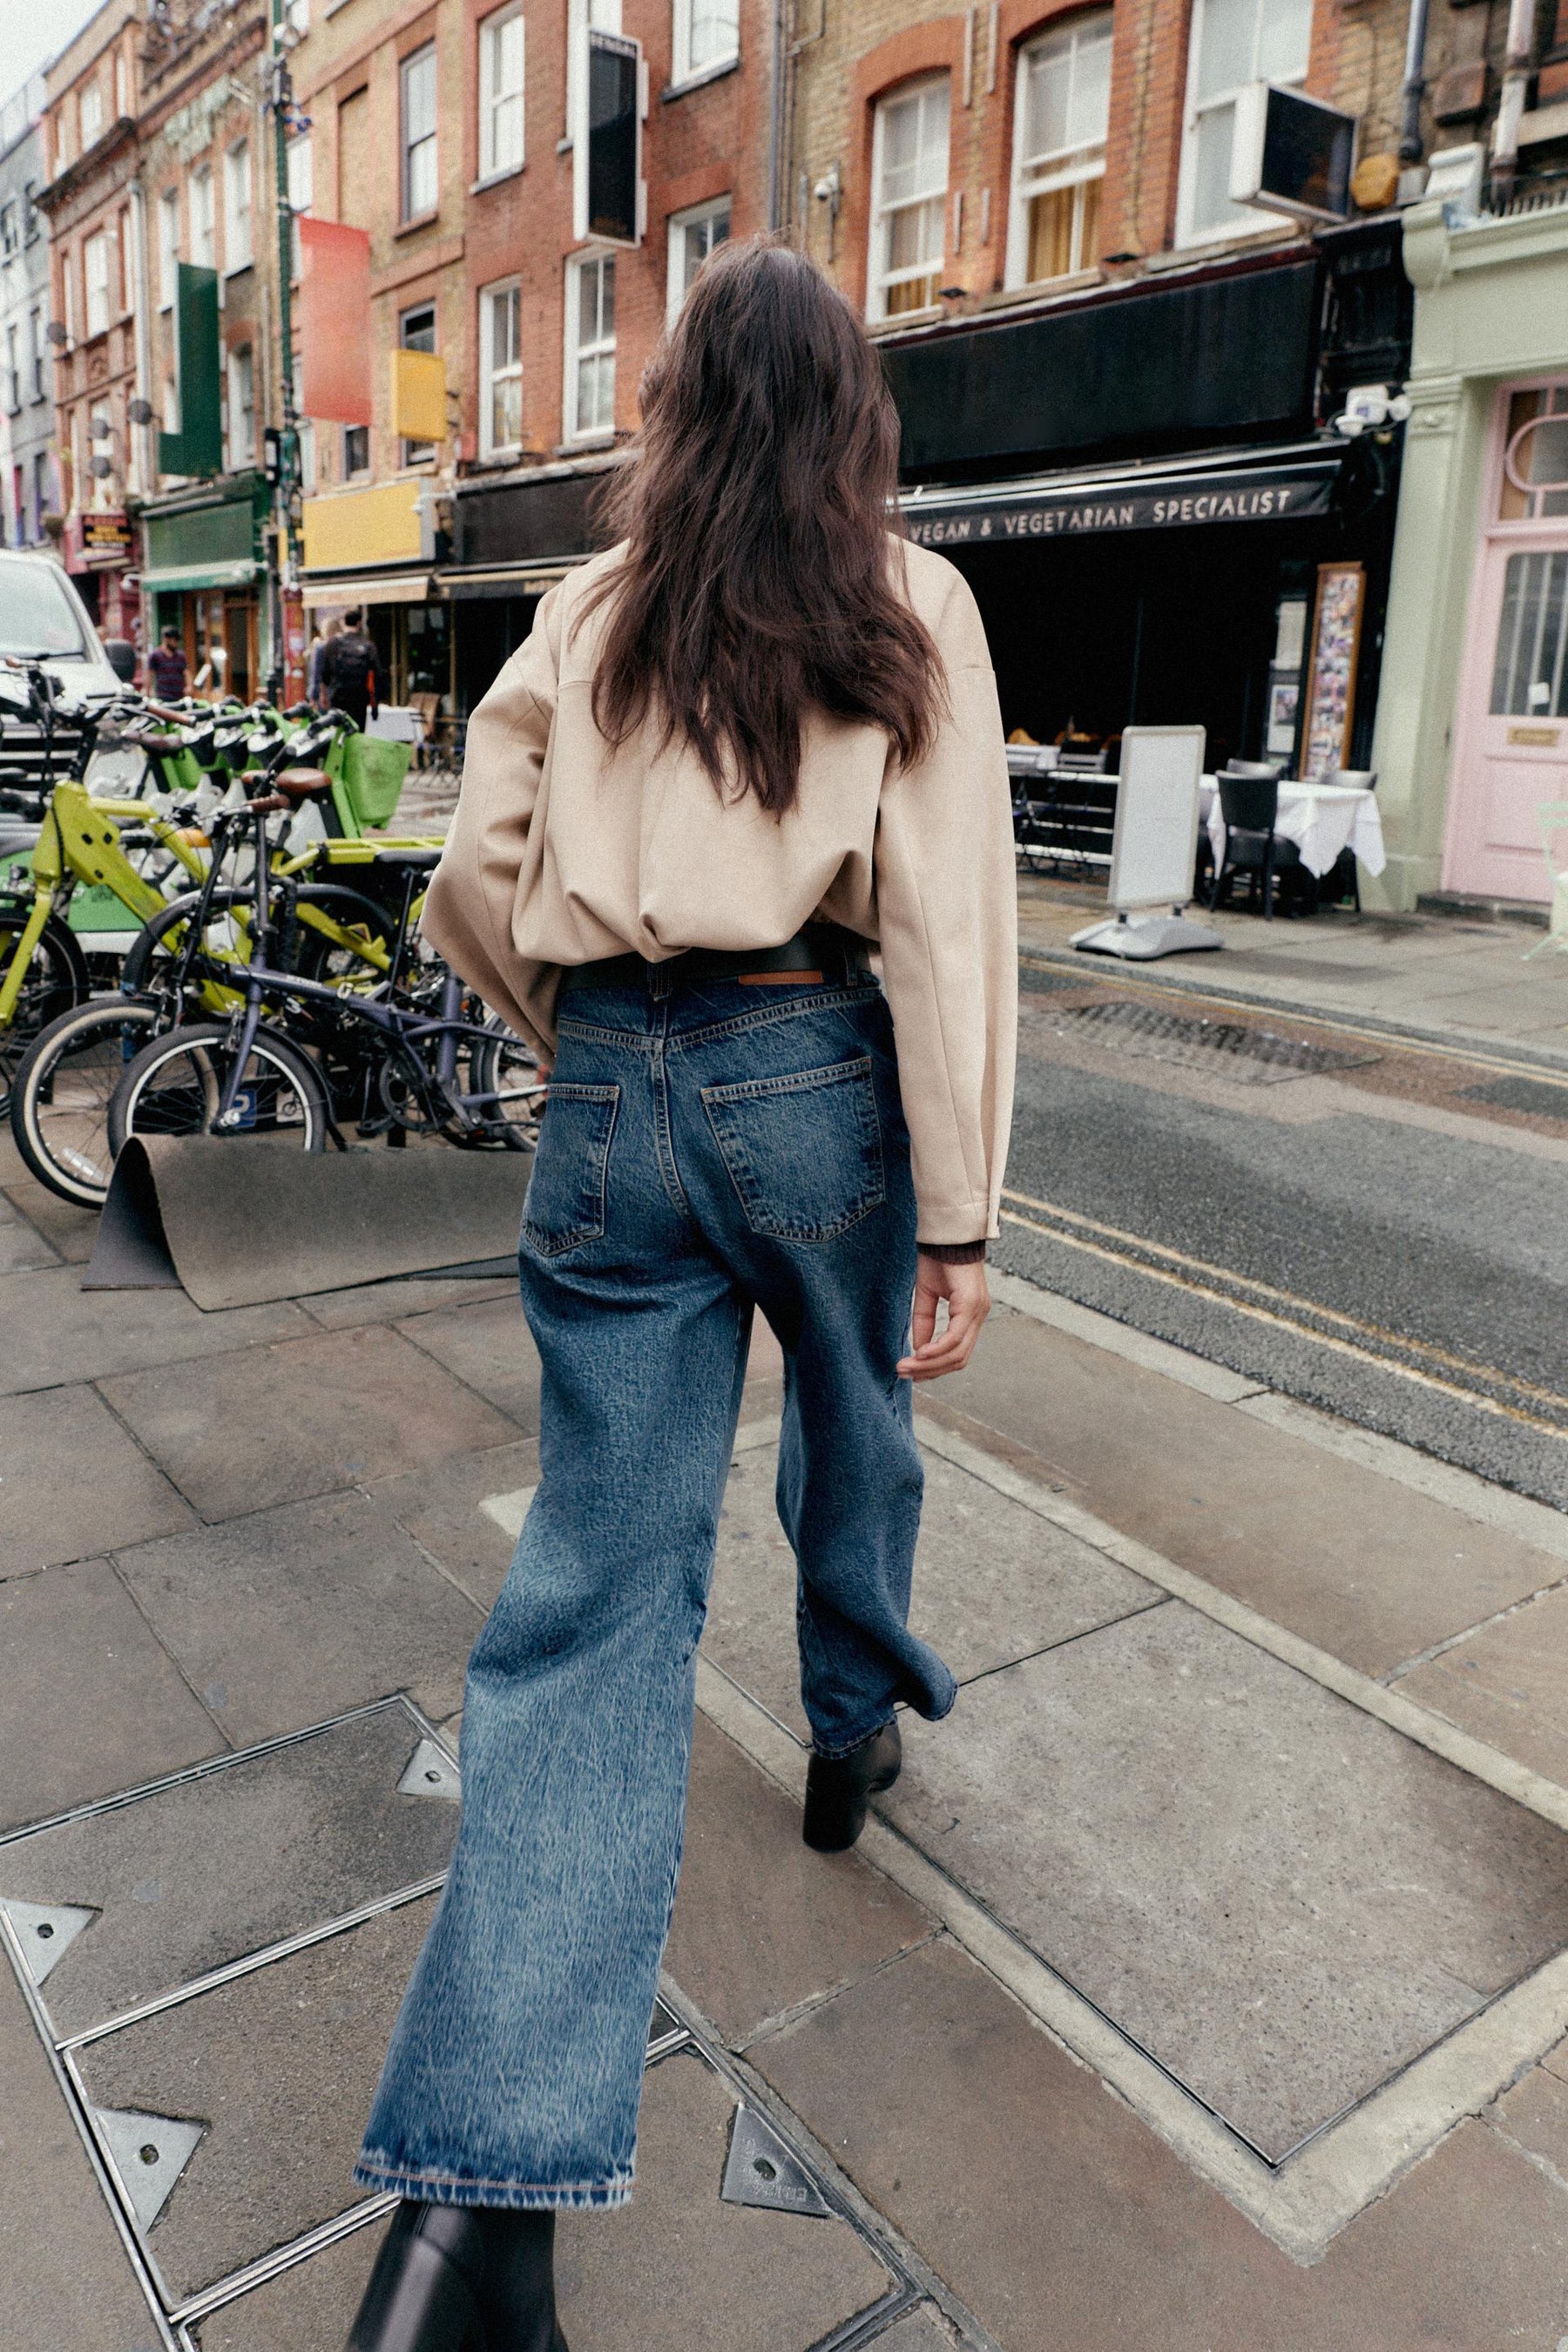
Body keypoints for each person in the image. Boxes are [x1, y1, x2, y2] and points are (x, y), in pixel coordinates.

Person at [345, 239, 1016, 2352]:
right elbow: (943, 924)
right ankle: (846, 1725)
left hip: (616, 1082)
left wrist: (591, 1025)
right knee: (857, 1415)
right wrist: (961, 1210)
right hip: (818, 1070)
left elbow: (466, 867)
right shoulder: (911, 606)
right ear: (850, 414)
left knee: (589, 1612)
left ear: (677, 410)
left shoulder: (582, 608)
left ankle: (470, 2229)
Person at [321, 605, 381, 727]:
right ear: (359, 623)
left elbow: (324, 673)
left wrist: (323, 694)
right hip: (359, 698)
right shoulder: (368, 646)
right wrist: (375, 702)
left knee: (337, 729)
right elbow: (378, 676)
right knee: (357, 730)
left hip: (338, 696)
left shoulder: (333, 644)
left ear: (344, 622)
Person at [307, 612, 342, 710]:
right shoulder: (343, 646)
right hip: (342, 693)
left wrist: (312, 696)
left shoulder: (321, 647)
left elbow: (316, 673)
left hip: (324, 694)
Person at [145, 624, 187, 702]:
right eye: (174, 640)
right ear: (166, 639)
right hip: (163, 696)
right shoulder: (155, 655)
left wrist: (189, 686)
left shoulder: (180, 656)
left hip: (178, 696)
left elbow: (186, 672)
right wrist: (147, 693)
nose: (176, 643)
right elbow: (149, 675)